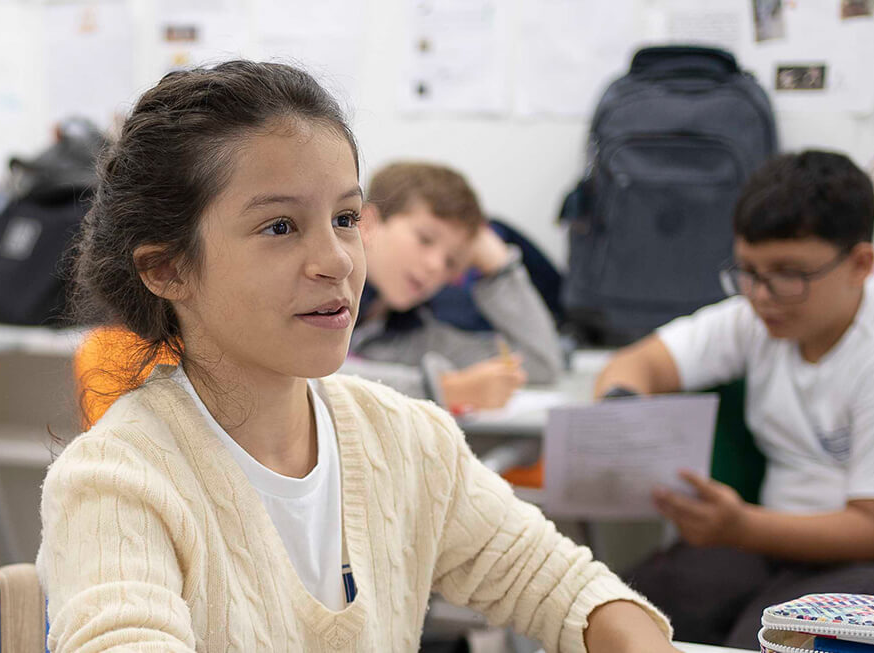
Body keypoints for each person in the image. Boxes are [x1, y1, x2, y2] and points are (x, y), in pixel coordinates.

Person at [40, 60, 675, 652]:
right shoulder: (115, 485)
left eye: (345, 218)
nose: (338, 260)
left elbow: (563, 587)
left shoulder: (405, 438)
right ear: (168, 269)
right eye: (280, 227)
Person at [598, 151, 874, 648]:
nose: (761, 295)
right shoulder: (758, 316)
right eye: (748, 271)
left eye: (788, 273)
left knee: (772, 636)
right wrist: (621, 416)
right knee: (625, 606)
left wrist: (739, 527)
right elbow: (636, 364)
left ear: (860, 264)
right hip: (786, 540)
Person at [352, 161, 563, 411]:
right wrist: (444, 389)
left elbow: (541, 366)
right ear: (367, 223)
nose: (436, 266)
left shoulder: (419, 335)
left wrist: (499, 269)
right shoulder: (313, 286)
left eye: (451, 262)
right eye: (425, 239)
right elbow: (309, 377)